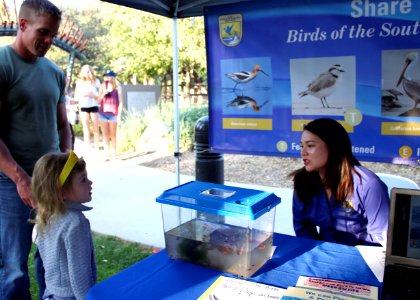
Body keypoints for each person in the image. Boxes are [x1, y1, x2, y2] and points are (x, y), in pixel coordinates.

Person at [0, 0, 72, 299]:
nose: (48, 41)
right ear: (23, 25)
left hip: (51, 181)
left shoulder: (55, 72)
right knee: (12, 264)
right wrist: (19, 178)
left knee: (53, 258)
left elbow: (63, 127)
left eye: (53, 35)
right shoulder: (3, 64)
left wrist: (67, 169)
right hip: (10, 183)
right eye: (43, 32)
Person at [290, 118, 389, 246]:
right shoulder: (302, 181)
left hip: (362, 258)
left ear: (333, 146)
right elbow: (303, 230)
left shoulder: (369, 185)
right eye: (301, 146)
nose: (303, 152)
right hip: (322, 256)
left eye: (310, 146)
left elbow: (380, 239)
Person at [31, 151, 96, 299]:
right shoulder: (75, 223)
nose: (90, 183)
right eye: (83, 180)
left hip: (51, 293)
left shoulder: (46, 214)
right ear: (62, 192)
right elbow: (80, 276)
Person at [74, 65, 101, 150]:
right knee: (86, 128)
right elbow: (76, 97)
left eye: (89, 71)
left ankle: (97, 147)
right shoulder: (79, 82)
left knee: (95, 127)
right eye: (86, 71)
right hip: (83, 106)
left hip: (94, 105)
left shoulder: (96, 81)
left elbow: (100, 96)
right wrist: (84, 94)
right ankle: (87, 147)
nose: (88, 73)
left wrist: (93, 95)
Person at [98, 70, 122, 160]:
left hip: (113, 114)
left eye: (109, 76)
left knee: (113, 135)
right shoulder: (102, 86)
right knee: (105, 135)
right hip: (103, 114)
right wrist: (103, 93)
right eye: (105, 76)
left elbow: (121, 102)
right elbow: (98, 101)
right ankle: (106, 155)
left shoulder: (117, 88)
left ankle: (114, 154)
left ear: (113, 77)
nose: (107, 78)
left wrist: (119, 115)